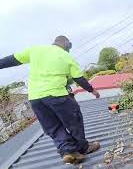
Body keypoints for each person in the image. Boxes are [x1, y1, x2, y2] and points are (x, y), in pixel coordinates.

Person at [0, 36, 101, 164]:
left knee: (53, 127)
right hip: (57, 96)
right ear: (66, 44)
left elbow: (11, 60)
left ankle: (68, 151)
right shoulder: (66, 56)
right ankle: (83, 148)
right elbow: (79, 78)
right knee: (74, 120)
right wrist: (92, 90)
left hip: (36, 99)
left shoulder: (35, 50)